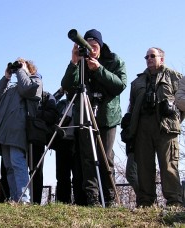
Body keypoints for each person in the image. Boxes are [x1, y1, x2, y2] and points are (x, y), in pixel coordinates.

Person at [61, 29, 127, 206]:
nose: (91, 49)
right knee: (87, 159)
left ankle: (110, 197)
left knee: (105, 157)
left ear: (101, 45)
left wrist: (99, 70)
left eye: (94, 46)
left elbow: (120, 85)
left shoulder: (114, 60)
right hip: (84, 115)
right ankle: (93, 198)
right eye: (88, 45)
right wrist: (74, 63)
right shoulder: (80, 62)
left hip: (106, 117)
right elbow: (67, 86)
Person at [128, 47, 183, 207]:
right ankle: (146, 203)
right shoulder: (137, 82)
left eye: (152, 56)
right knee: (144, 167)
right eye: (146, 57)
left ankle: (174, 203)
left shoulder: (175, 77)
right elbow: (131, 107)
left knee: (168, 166)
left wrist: (175, 117)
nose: (149, 59)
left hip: (166, 128)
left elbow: (182, 103)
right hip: (142, 128)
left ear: (162, 59)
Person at [0, 58, 43, 203]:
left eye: (21, 65)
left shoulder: (35, 80)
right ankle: (15, 198)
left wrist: (21, 71)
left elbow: (28, 90)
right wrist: (6, 77)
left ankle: (24, 199)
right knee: (9, 166)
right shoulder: (13, 86)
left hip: (18, 128)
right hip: (5, 130)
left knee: (17, 163)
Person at [53, 88, 87, 206]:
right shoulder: (62, 104)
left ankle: (80, 201)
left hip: (77, 142)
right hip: (62, 142)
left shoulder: (82, 102)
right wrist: (61, 91)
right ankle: (63, 201)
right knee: (62, 176)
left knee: (78, 175)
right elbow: (51, 101)